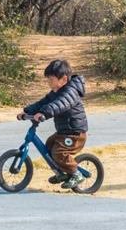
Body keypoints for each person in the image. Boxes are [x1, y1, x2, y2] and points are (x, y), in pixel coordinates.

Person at [17, 58, 88, 189]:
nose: (49, 83)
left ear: (64, 79)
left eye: (51, 80)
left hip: (75, 134)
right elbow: (42, 103)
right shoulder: (55, 92)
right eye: (47, 79)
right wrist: (27, 111)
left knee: (59, 152)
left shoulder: (70, 92)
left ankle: (76, 174)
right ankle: (63, 173)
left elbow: (59, 105)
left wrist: (44, 113)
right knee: (49, 146)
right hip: (64, 132)